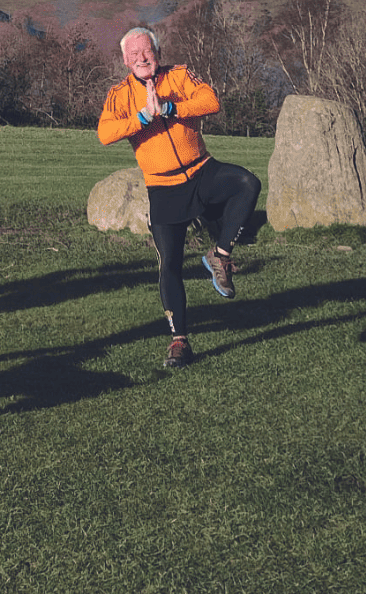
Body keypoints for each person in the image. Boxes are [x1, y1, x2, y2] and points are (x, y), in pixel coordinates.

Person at [97, 27, 261, 369]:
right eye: (134, 55)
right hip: (162, 188)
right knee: (169, 265)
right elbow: (105, 133)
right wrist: (142, 117)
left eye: (147, 51)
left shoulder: (180, 75)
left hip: (202, 171)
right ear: (125, 61)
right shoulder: (119, 94)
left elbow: (211, 101)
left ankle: (220, 254)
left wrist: (170, 107)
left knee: (247, 183)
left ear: (158, 51)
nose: (142, 58)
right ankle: (179, 341)